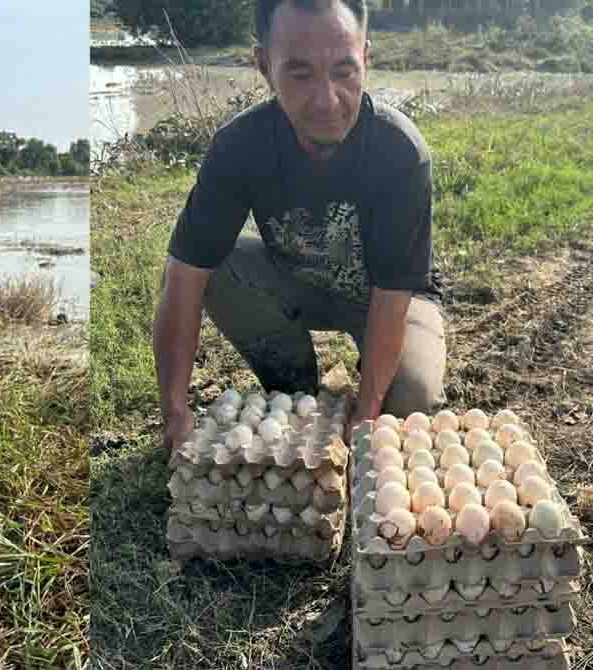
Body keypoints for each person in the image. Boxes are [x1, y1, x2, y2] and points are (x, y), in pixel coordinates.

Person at [154, 0, 447, 451]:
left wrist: (367, 412)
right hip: (298, 281)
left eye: (344, 72)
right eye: (300, 73)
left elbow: (391, 297)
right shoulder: (238, 147)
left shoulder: (400, 152)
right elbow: (184, 275)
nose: (327, 100)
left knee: (407, 399)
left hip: (390, 298)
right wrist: (174, 408)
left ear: (365, 59)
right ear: (264, 66)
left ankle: (372, 391)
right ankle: (293, 381)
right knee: (217, 267)